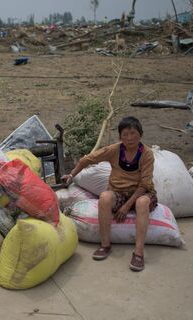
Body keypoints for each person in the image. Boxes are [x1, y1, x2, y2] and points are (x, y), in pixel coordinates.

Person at [61, 116, 157, 271]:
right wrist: (71, 175)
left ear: (140, 134)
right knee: (105, 197)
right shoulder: (115, 150)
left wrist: (126, 207)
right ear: (120, 136)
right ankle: (105, 245)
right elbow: (87, 160)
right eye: (125, 134)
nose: (129, 138)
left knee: (142, 202)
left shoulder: (146, 154)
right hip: (118, 192)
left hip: (141, 193)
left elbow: (144, 185)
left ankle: (138, 253)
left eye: (133, 133)